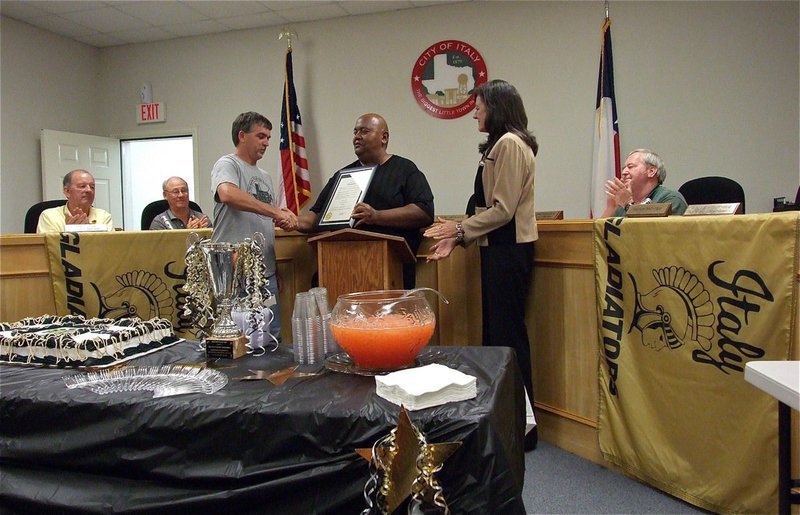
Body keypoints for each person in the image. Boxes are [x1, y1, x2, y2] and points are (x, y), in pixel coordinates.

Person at [424, 80, 538, 450]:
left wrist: (457, 229)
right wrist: (456, 238)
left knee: (507, 339)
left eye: (480, 106)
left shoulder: (508, 144)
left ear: (497, 108)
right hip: (498, 249)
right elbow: (486, 207)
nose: (474, 112)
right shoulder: (501, 145)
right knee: (496, 337)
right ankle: (505, 419)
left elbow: (502, 210)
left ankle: (524, 428)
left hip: (509, 251)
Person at [297, 113, 434, 288]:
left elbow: (424, 211)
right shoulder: (343, 175)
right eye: (355, 132)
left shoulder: (405, 170)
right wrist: (293, 220)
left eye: (364, 131)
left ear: (384, 137)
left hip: (391, 271)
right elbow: (317, 216)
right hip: (341, 268)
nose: (357, 137)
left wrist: (376, 216)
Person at [211, 111, 298, 344]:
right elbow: (227, 194)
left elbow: (262, 221)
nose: (267, 142)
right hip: (235, 275)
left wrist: (273, 267)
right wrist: (274, 212)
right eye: (261, 136)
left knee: (270, 337)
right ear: (242, 136)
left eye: (269, 137)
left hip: (264, 274)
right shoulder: (227, 164)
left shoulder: (266, 177)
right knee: (238, 342)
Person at [602, 149, 688, 217]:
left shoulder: (671, 199)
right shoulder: (622, 204)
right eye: (623, 168)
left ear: (651, 171)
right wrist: (611, 207)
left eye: (630, 167)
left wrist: (628, 204)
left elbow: (649, 234)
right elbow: (599, 234)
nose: (624, 172)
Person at [37, 169, 114, 233]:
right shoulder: (49, 216)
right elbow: (50, 249)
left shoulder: (104, 216)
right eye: (82, 186)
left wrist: (86, 233)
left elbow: (110, 248)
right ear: (67, 191)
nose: (89, 190)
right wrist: (69, 234)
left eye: (92, 187)